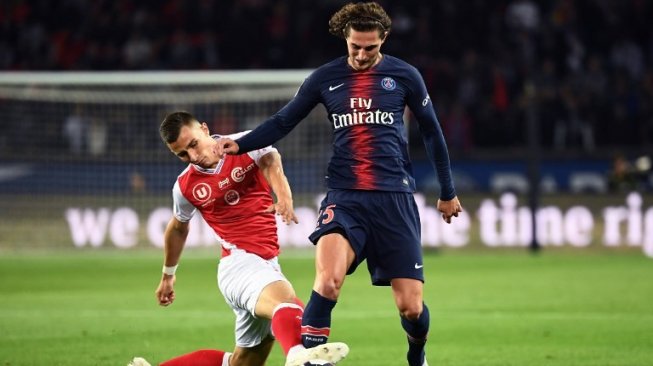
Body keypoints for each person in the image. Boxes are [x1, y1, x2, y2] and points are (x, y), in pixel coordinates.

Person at [216, 3, 463, 366]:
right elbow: (284, 121)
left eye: (370, 48)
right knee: (328, 281)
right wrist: (241, 143)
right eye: (355, 47)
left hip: (394, 198)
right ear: (344, 39)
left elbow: (432, 131)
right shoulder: (324, 78)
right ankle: (315, 362)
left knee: (410, 308)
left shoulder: (405, 76)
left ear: (384, 40)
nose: (362, 56)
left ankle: (417, 354)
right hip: (345, 198)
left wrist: (447, 191)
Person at [128, 111, 349, 366]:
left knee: (242, 362)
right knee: (287, 302)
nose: (193, 156)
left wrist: (283, 195)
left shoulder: (246, 142)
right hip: (238, 265)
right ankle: (300, 358)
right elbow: (178, 227)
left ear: (205, 129)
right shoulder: (185, 186)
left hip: (266, 262)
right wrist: (168, 275)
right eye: (182, 154)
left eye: (193, 144)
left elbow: (270, 161)